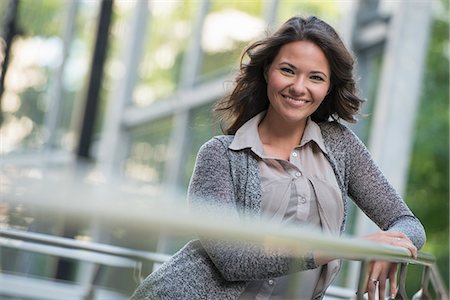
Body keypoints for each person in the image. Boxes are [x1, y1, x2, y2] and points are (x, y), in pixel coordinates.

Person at [131, 16, 425, 300]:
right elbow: (234, 259)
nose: (298, 87)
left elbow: (406, 223)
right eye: (287, 70)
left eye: (315, 77)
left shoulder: (339, 145)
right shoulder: (219, 156)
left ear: (328, 87)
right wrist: (347, 247)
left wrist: (391, 249)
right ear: (267, 71)